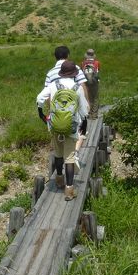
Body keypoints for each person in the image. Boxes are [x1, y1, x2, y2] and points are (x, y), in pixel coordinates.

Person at [37, 60, 89, 201]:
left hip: (54, 126)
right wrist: (84, 123)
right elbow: (84, 109)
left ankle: (59, 179)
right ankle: (69, 190)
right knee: (70, 158)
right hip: (71, 127)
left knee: (58, 154)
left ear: (61, 73)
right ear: (73, 73)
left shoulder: (54, 85)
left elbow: (39, 98)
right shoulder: (77, 87)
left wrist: (41, 113)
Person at [44, 45, 89, 169]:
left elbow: (47, 94)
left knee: (60, 131)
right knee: (79, 130)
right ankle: (73, 155)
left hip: (56, 111)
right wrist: (86, 104)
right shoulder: (75, 68)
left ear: (55, 56)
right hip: (74, 109)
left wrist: (51, 109)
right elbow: (83, 86)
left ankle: (62, 162)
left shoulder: (50, 73)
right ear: (68, 55)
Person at [81, 48, 101, 119]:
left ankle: (88, 113)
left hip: (86, 82)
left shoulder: (83, 63)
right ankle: (94, 115)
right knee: (95, 97)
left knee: (87, 97)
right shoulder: (97, 63)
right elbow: (98, 72)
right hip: (95, 82)